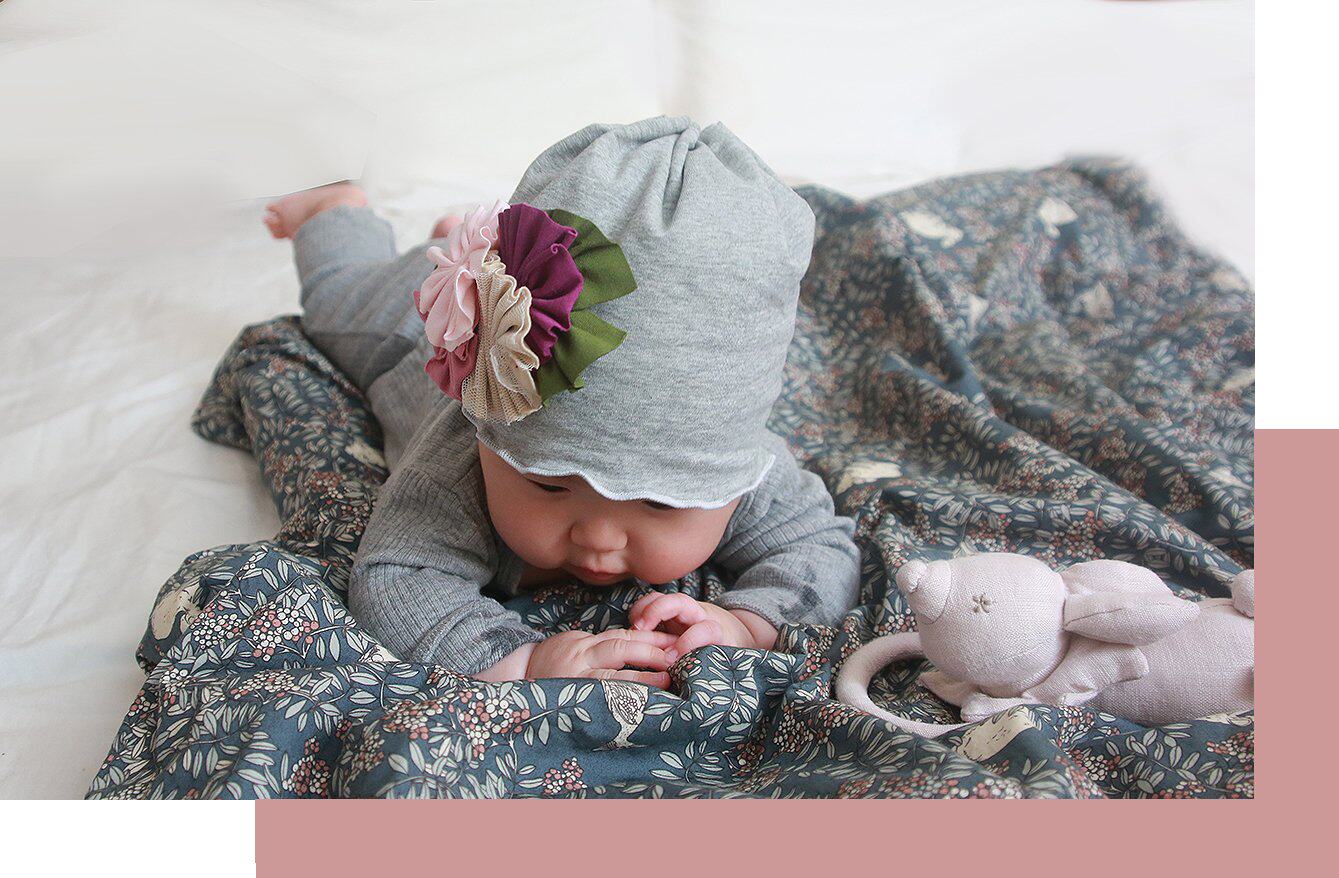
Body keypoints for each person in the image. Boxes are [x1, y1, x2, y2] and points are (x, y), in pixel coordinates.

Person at [263, 116, 860, 690]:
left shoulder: (738, 465)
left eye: (660, 502)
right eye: (548, 484)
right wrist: (523, 661)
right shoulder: (457, 466)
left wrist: (745, 625)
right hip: (404, 330)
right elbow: (396, 579)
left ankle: (457, 239)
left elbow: (820, 550)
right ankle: (334, 211)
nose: (599, 538)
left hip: (512, 290)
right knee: (335, 301)